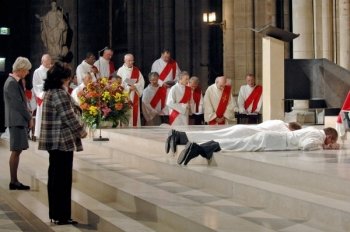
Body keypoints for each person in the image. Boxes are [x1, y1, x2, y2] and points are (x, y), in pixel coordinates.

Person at [38, 62, 87, 225]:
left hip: (56, 141)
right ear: (62, 78)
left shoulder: (51, 92)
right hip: (61, 141)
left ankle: (57, 214)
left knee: (56, 177)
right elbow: (68, 117)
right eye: (68, 76)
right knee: (62, 180)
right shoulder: (58, 93)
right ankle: (62, 215)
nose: (70, 78)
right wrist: (81, 130)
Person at [177, 126, 339, 165]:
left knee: (236, 143)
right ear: (329, 136)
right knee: (237, 145)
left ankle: (199, 148)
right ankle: (198, 149)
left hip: (273, 138)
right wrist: (323, 147)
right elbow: (307, 146)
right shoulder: (318, 135)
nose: (330, 144)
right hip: (273, 141)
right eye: (332, 142)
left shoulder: (315, 130)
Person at [165, 120, 301, 153]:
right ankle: (182, 137)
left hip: (245, 129)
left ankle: (181, 136)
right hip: (246, 132)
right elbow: (289, 137)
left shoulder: (278, 121)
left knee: (216, 134)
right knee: (219, 138)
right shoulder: (284, 128)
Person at [3, 57, 33, 190]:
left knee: (18, 150)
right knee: (16, 150)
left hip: (17, 119)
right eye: (26, 70)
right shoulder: (11, 83)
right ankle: (13, 181)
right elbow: (18, 105)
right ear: (20, 69)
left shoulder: (15, 82)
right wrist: (29, 117)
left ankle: (14, 180)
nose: (27, 73)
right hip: (16, 120)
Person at [117, 53, 145, 127]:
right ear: (124, 60)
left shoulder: (136, 70)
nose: (130, 62)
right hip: (125, 96)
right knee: (126, 114)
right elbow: (118, 84)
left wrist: (135, 86)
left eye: (132, 60)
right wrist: (128, 87)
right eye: (129, 60)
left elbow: (142, 82)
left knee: (134, 114)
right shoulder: (120, 70)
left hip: (134, 95)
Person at [33, 54, 52, 141]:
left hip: (52, 97)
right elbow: (36, 85)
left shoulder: (52, 70)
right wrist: (44, 89)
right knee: (42, 116)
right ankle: (41, 135)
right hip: (43, 97)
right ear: (42, 61)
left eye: (49, 61)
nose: (49, 63)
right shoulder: (37, 71)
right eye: (47, 62)